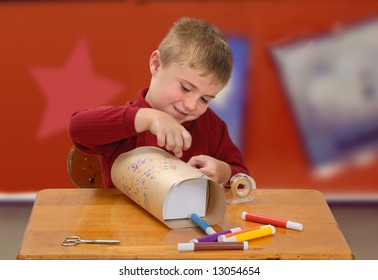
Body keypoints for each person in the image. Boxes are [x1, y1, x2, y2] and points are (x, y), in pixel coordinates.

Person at [69, 17, 250, 188]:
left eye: (205, 99)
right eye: (186, 88)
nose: (191, 105)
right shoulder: (129, 122)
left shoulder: (211, 126)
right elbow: (77, 127)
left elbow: (243, 179)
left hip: (191, 220)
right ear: (156, 64)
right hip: (123, 221)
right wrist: (148, 118)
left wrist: (225, 173)